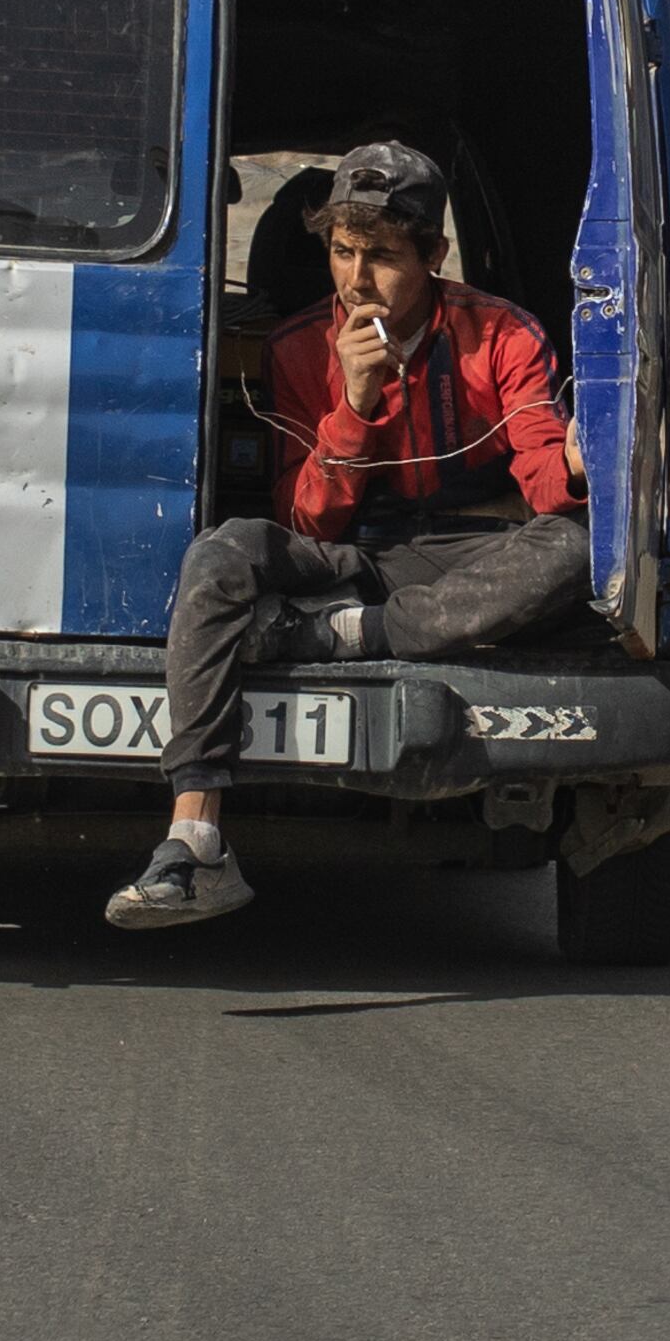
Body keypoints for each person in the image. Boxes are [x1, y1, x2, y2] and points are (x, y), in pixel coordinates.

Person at [107, 141, 588, 928]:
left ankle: (346, 637)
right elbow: (305, 520)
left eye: (383, 256)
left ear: (433, 255)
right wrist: (356, 403)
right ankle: (195, 839)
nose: (357, 278)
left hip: (464, 554)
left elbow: (543, 481)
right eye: (342, 251)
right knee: (223, 550)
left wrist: (572, 465)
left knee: (571, 549)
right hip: (350, 554)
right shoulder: (299, 346)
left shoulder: (503, 335)